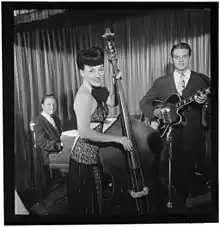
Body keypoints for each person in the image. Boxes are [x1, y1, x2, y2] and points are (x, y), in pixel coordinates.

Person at [139, 42, 210, 199]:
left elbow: (213, 108)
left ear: (190, 57)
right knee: (168, 179)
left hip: (194, 139)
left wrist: (205, 103)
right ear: (172, 59)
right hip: (168, 139)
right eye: (177, 57)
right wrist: (156, 112)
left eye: (184, 56)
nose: (181, 60)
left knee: (194, 183)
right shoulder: (161, 82)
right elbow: (144, 103)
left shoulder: (202, 81)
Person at [68, 46, 133, 217]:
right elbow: (84, 133)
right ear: (82, 72)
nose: (98, 75)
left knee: (97, 203)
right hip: (83, 161)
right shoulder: (84, 97)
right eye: (91, 70)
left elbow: (112, 103)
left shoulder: (97, 90)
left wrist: (115, 82)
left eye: (101, 69)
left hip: (94, 158)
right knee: (87, 208)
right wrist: (117, 139)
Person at [33, 94, 65, 211]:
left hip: (59, 151)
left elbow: (60, 136)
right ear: (42, 106)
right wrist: (59, 145)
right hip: (48, 155)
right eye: (49, 104)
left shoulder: (56, 119)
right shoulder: (39, 121)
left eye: (54, 104)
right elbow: (41, 143)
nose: (52, 107)